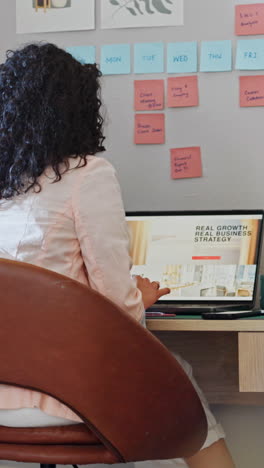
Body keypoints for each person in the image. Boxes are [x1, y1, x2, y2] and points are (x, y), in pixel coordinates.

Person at [0, 43, 235, 468]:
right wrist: (139, 299)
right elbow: (113, 297)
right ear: (77, 108)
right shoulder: (88, 174)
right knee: (178, 372)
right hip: (65, 393)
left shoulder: (6, 187)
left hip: (3, 386)